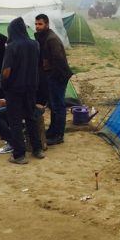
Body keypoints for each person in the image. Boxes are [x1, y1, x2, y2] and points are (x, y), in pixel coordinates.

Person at [0, 17, 44, 164]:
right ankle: (37, 149)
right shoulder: (35, 44)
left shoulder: (12, 46)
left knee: (15, 121)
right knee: (31, 117)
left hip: (15, 89)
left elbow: (6, 71)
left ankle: (19, 155)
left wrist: (3, 84)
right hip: (31, 86)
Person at [34, 14, 73, 146]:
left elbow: (59, 60)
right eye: (36, 24)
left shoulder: (51, 39)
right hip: (50, 76)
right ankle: (52, 130)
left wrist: (53, 77)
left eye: (40, 24)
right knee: (53, 105)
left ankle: (58, 135)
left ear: (47, 24)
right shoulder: (42, 37)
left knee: (58, 106)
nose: (37, 27)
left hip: (57, 76)